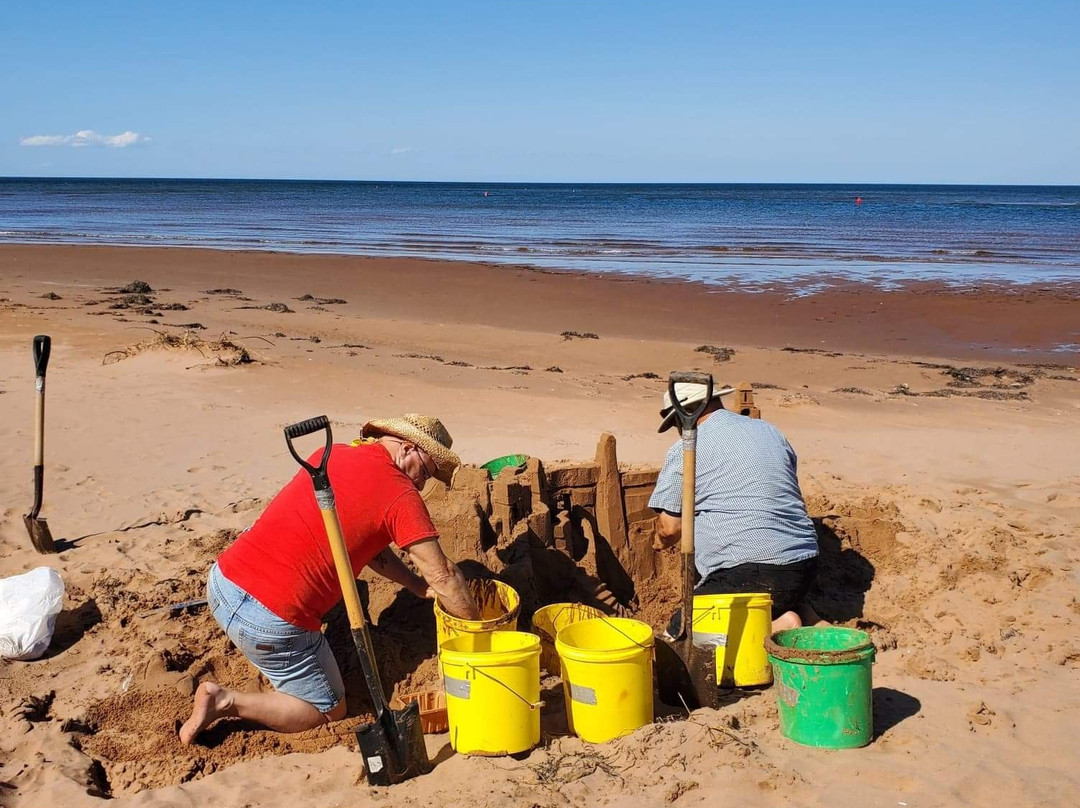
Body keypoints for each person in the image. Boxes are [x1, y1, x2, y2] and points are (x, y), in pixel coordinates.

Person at [180, 413, 480, 745]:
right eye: (425, 472)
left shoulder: (331, 455)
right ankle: (225, 701)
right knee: (327, 709)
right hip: (271, 623)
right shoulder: (400, 496)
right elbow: (444, 575)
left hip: (223, 585)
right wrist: (480, 637)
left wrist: (412, 583)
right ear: (408, 448)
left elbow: (373, 551)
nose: (423, 485)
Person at [649, 383, 825, 633]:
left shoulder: (686, 449)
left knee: (683, 631)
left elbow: (670, 527)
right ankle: (807, 618)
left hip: (752, 573)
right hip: (806, 564)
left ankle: (778, 626)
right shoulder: (769, 431)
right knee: (776, 596)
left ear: (682, 415)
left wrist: (658, 542)